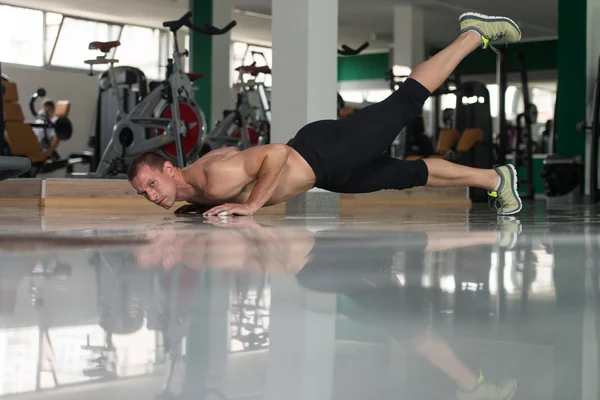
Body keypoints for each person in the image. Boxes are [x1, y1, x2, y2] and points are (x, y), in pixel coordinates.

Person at [128, 12, 523, 217]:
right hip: (329, 171)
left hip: (323, 153)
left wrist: (250, 208)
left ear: (167, 169)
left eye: (149, 184)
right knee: (408, 174)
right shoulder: (198, 189)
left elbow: (277, 153)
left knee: (406, 100)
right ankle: (494, 179)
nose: (149, 195)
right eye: (142, 194)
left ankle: (473, 34)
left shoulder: (211, 179)